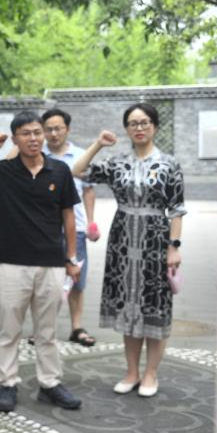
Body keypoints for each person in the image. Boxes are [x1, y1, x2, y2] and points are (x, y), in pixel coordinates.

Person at [0, 111, 82, 414]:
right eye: (26, 134)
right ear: (15, 138)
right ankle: (8, 383)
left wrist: (70, 257)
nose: (33, 138)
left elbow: (69, 216)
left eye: (37, 132)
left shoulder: (59, 170)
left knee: (47, 331)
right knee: (10, 329)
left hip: (51, 262)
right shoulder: (3, 170)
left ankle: (50, 383)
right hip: (11, 262)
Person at [72, 103, 185, 398]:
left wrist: (173, 247)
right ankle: (132, 372)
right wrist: (98, 144)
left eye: (145, 122)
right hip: (122, 241)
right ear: (126, 129)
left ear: (155, 126)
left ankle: (150, 373)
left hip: (155, 241)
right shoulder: (117, 163)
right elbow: (78, 170)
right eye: (133, 123)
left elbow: (176, 209)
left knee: (154, 307)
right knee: (128, 306)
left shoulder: (169, 164)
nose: (139, 128)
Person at [41, 109, 99, 347]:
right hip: (45, 229)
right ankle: (45, 328)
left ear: (68, 129)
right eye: (49, 129)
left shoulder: (81, 155)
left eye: (58, 128)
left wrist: (91, 222)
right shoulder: (37, 155)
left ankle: (77, 327)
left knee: (77, 280)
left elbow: (88, 190)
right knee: (45, 281)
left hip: (76, 228)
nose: (54, 134)